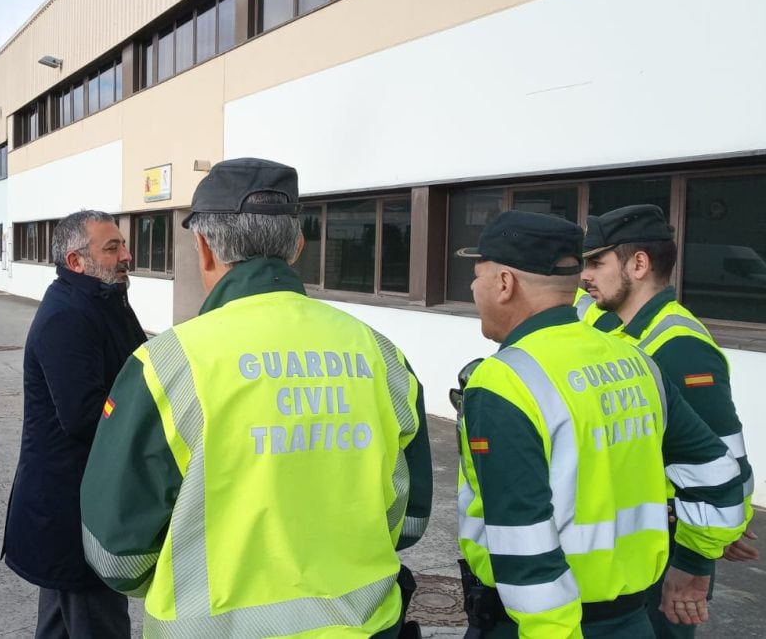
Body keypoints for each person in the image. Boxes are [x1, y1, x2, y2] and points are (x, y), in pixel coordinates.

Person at [80, 157, 433, 638]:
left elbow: (116, 556)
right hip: (367, 625)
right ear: (298, 246)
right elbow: (408, 521)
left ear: (203, 248)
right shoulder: (382, 356)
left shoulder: (167, 365)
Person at [453, 210, 750, 637]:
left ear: (504, 283)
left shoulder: (505, 380)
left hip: (547, 626)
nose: (471, 287)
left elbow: (523, 541)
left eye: (477, 275)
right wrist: (694, 559)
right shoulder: (635, 361)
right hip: (631, 621)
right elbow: (720, 476)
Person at [580, 203, 757, 637]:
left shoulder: (678, 345)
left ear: (638, 264)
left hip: (670, 552)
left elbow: (725, 461)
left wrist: (696, 561)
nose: (584, 276)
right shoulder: (609, 324)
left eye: (596, 262)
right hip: (632, 545)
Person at [1, 210, 145, 639]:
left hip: (79, 503)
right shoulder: (69, 315)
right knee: (94, 622)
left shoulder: (105, 301)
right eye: (113, 247)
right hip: (70, 509)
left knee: (63, 622)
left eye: (123, 244)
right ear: (76, 261)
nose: (127, 255)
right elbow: (85, 416)